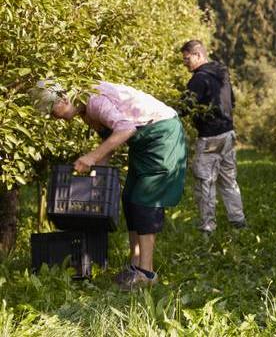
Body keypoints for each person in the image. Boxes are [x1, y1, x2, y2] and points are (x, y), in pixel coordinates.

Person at [33, 80, 187, 290]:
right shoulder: (86, 111)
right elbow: (110, 142)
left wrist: (91, 157)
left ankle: (147, 273)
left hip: (161, 135)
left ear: (64, 99)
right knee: (130, 197)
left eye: (52, 110)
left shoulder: (94, 101)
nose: (53, 116)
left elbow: (125, 130)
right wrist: (97, 173)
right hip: (145, 141)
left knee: (145, 200)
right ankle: (135, 264)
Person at [179, 40, 247, 234]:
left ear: (198, 55)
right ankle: (238, 222)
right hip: (228, 134)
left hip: (210, 138)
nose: (185, 63)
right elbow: (231, 102)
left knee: (205, 181)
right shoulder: (222, 75)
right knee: (228, 179)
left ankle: (207, 228)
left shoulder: (199, 79)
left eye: (187, 58)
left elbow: (184, 108)